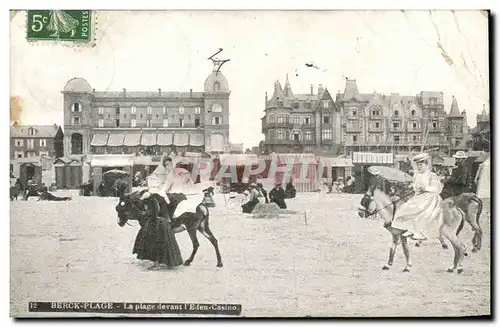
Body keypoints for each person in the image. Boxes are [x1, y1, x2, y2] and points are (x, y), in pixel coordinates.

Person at [391, 152, 443, 241]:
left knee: (422, 212)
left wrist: (426, 188)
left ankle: (419, 232)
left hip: (429, 197)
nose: (419, 167)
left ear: (426, 165)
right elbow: (415, 186)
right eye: (418, 165)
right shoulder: (417, 175)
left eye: (421, 165)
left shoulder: (432, 175)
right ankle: (409, 228)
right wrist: (413, 187)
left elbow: (437, 188)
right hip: (418, 197)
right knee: (404, 208)